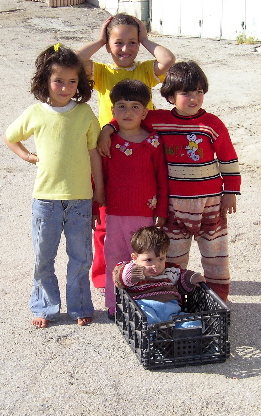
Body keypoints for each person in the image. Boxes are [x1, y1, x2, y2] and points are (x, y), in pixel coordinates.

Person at [98, 61, 241, 302]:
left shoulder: (212, 124)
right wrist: (107, 129)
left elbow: (228, 158)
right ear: (171, 96)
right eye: (185, 93)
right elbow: (128, 116)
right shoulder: (157, 120)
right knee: (173, 257)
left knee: (215, 255)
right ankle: (174, 297)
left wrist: (231, 192)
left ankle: (218, 300)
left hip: (210, 204)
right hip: (176, 206)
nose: (193, 98)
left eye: (199, 91)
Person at [4, 44, 104, 328]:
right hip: (45, 200)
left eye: (72, 81)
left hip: (81, 200)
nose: (65, 87)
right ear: (45, 81)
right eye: (58, 80)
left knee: (81, 257)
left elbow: (95, 152)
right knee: (42, 258)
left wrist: (100, 191)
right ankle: (44, 307)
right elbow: (11, 137)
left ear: (80, 83)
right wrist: (28, 156)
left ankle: (80, 306)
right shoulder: (36, 112)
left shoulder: (84, 113)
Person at [76, 13, 175, 292]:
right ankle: (103, 276)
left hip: (143, 146)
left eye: (132, 42)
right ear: (109, 45)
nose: (125, 49)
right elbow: (76, 59)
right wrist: (99, 39)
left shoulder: (145, 70)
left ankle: (139, 273)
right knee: (107, 218)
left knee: (137, 216)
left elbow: (167, 60)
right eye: (118, 43)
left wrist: (145, 39)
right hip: (110, 147)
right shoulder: (103, 73)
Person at [103, 79, 169, 320]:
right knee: (115, 258)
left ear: (145, 112)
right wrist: (95, 204)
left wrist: (161, 209)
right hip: (114, 213)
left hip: (145, 215)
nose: (127, 112)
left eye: (134, 106)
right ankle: (114, 304)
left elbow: (162, 178)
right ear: (112, 111)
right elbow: (98, 175)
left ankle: (144, 302)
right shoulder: (108, 141)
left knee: (144, 260)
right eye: (121, 106)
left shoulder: (153, 142)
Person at [113, 226, 206, 325]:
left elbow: (183, 276)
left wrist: (193, 277)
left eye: (161, 259)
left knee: (194, 322)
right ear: (135, 258)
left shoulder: (169, 270)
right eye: (149, 260)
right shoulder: (131, 270)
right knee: (145, 318)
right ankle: (155, 332)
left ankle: (180, 333)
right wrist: (141, 271)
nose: (156, 265)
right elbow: (119, 277)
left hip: (171, 310)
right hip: (147, 307)